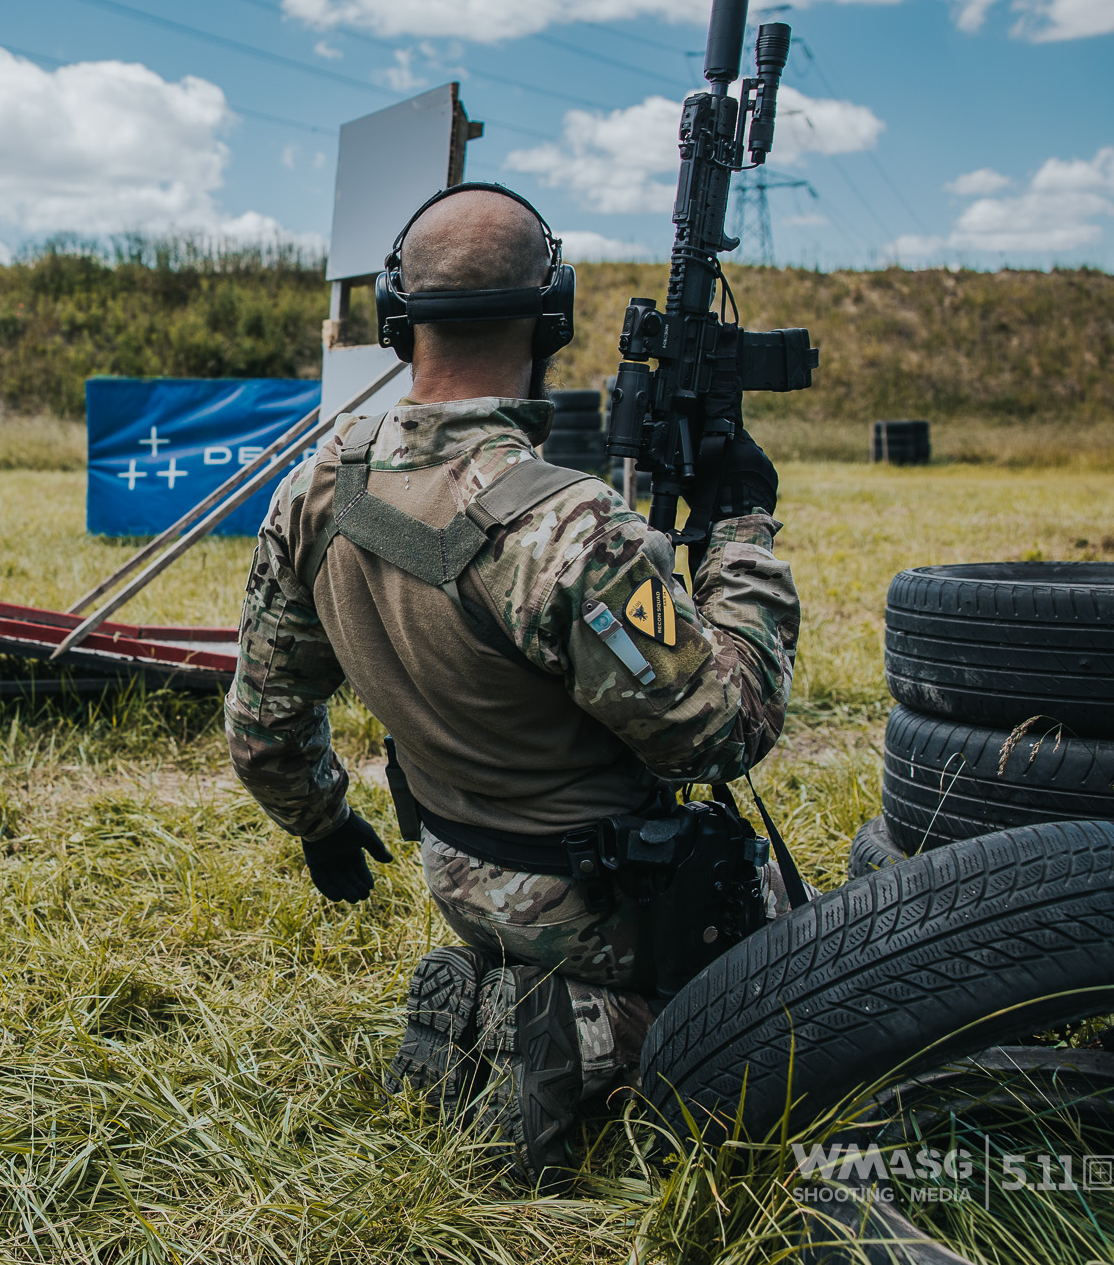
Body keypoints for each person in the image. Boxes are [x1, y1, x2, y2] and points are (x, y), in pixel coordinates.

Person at [224, 183, 799, 1182]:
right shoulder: (571, 531)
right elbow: (719, 734)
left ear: (392, 321)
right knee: (787, 985)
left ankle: (493, 993)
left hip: (453, 865)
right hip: (592, 896)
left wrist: (317, 822)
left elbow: (264, 719)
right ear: (555, 319)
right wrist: (741, 538)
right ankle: (570, 1029)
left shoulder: (318, 485)